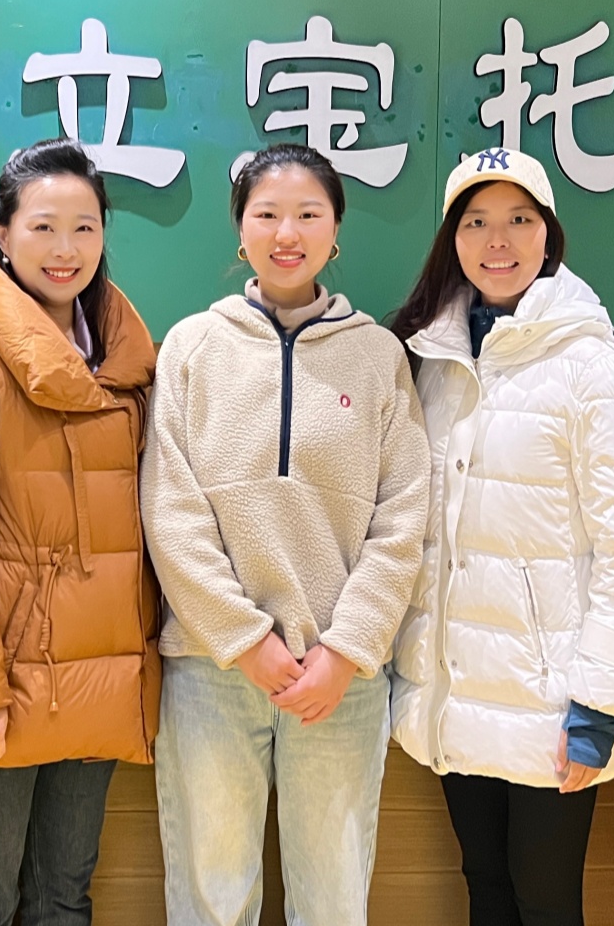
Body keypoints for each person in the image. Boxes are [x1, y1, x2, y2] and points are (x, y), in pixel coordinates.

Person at [142, 142, 430, 926]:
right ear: (241, 231)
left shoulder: (377, 356)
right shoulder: (193, 346)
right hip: (211, 667)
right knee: (212, 897)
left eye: (308, 213)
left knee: (333, 900)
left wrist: (345, 649)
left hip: (341, 678)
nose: (287, 233)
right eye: (266, 214)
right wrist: (243, 638)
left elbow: (402, 519)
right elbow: (170, 511)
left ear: (337, 231)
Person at [385, 147, 614, 926]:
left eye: (518, 219)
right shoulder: (431, 356)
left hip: (553, 698)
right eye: (475, 222)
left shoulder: (591, 363)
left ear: (549, 234)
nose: (497, 240)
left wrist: (598, 706)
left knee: (546, 901)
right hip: (457, 684)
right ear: (452, 239)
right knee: (486, 884)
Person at [0, 139, 160, 926]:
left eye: (85, 227)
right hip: (2, 680)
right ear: (4, 235)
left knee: (63, 896)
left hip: (98, 681)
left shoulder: (129, 367)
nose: (64, 248)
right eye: (43, 226)